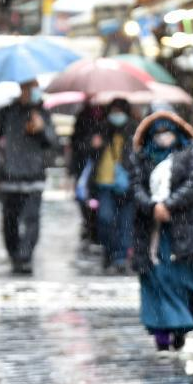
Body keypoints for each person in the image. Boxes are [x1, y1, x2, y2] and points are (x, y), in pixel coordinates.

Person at [130, 110, 193, 353]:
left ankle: (179, 328)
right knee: (156, 281)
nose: (163, 136)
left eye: (167, 131)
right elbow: (135, 186)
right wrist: (152, 207)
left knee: (183, 283)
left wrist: (169, 205)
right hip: (151, 234)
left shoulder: (189, 153)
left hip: (184, 232)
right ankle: (161, 331)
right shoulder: (142, 157)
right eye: (157, 132)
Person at [0, 80, 57, 275]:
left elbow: (53, 143)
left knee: (32, 219)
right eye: (30, 88)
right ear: (22, 89)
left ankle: (25, 256)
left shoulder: (42, 113)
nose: (33, 92)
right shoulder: (6, 113)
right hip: (10, 175)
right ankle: (15, 256)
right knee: (9, 220)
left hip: (34, 175)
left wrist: (41, 129)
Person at [90, 98, 137, 273]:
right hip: (105, 183)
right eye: (113, 111)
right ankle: (110, 252)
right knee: (106, 219)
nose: (116, 115)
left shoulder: (134, 130)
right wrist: (94, 145)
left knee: (125, 222)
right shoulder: (101, 129)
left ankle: (120, 257)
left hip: (128, 183)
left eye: (120, 111)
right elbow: (87, 152)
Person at [69, 103, 104, 254]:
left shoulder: (107, 116)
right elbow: (76, 143)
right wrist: (90, 143)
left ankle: (94, 232)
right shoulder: (83, 117)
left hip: (101, 169)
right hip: (84, 168)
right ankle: (90, 230)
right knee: (85, 201)